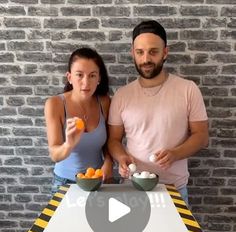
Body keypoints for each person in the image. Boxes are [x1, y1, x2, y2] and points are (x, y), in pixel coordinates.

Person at [108, 20, 209, 203]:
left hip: (174, 191)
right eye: (140, 52)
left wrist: (176, 153)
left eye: (153, 52)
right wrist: (121, 157)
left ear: (165, 52)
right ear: (133, 53)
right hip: (132, 188)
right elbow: (113, 139)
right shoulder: (122, 95)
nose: (146, 59)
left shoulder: (188, 89)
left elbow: (201, 136)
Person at [45, 47, 113, 193]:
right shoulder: (55, 104)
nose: (86, 82)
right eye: (79, 75)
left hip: (98, 180)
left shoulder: (105, 102)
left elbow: (109, 142)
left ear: (99, 78)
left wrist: (109, 161)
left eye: (92, 75)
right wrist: (68, 144)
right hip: (64, 183)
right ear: (69, 77)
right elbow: (54, 154)